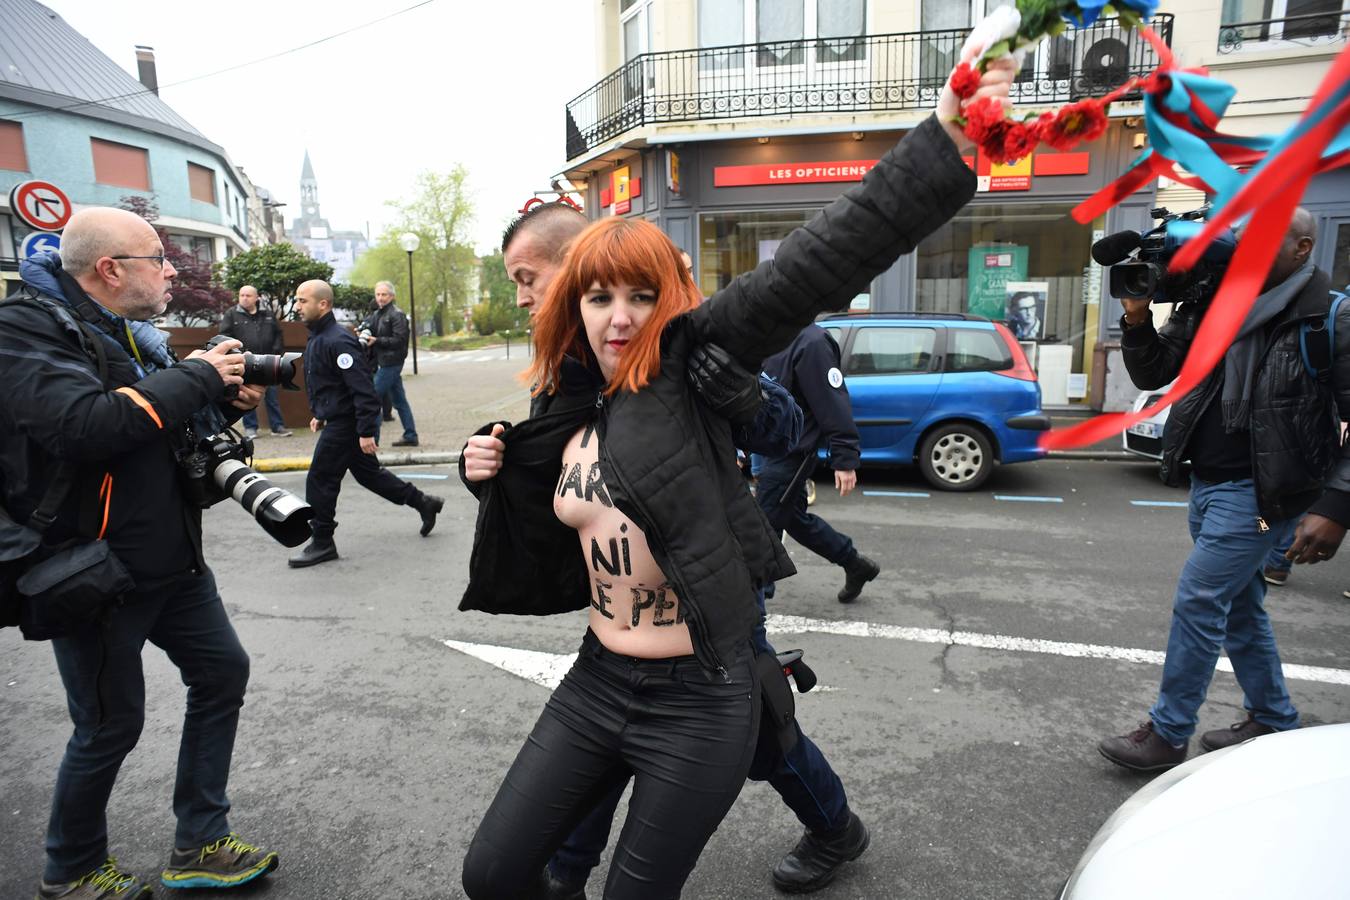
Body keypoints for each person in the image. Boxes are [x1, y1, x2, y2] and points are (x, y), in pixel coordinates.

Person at [458, 54, 1009, 898]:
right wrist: (489, 468)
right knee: (494, 875)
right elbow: (555, 518)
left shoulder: (686, 363)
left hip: (701, 676)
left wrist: (945, 139)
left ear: (668, 300)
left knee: (758, 758)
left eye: (639, 296)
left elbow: (825, 257)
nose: (618, 317)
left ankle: (834, 828)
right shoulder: (562, 402)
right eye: (597, 298)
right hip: (599, 676)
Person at [504, 199, 869, 898]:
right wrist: (487, 460)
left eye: (529, 277)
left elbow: (785, 426)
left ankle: (836, 827)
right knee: (604, 745)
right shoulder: (568, 369)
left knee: (766, 731)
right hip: (625, 626)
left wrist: (740, 397)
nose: (521, 295)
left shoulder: (682, 346)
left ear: (576, 260)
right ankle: (570, 871)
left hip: (710, 589)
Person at [0, 207, 279, 897]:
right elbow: (88, 427)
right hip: (94, 572)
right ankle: (71, 871)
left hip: (172, 560)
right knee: (108, 725)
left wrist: (224, 404)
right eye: (159, 257)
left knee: (221, 676)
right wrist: (198, 377)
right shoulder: (24, 328)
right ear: (110, 268)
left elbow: (153, 431)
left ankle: (201, 843)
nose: (172, 269)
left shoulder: (124, 332)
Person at [1099, 208, 1350, 772]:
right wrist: (1137, 315)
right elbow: (1155, 372)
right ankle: (1273, 716)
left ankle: (1167, 733)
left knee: (1200, 597)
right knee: (1240, 607)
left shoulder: (1330, 316)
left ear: (1303, 248)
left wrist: (1337, 505)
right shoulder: (1215, 301)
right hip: (1207, 483)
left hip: (1264, 501)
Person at [287, 280, 443, 568]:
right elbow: (331, 384)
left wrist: (366, 431)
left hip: (347, 425)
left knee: (320, 479)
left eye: (302, 301)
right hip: (340, 419)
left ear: (323, 304)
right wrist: (320, 412)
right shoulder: (320, 337)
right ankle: (424, 503)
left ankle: (322, 542)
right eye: (297, 301)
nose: (297, 307)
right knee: (370, 475)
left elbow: (363, 390)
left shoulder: (337, 340)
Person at [756, 323, 880, 605]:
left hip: (791, 451)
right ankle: (855, 565)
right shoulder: (769, 332)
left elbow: (832, 402)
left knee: (761, 522)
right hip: (767, 445)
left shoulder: (812, 342)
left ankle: (757, 596)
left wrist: (845, 459)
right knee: (793, 519)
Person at [218, 284, 292, 438]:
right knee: (245, 395)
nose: (244, 298)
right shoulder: (231, 314)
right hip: (245, 364)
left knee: (272, 397)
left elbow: (278, 334)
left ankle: (277, 427)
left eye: (248, 295)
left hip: (268, 363)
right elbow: (224, 337)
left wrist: (276, 352)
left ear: (256, 298)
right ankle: (251, 429)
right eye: (242, 295)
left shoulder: (268, 315)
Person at [359, 281, 418, 446]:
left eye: (384, 294)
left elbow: (400, 340)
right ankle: (411, 435)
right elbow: (370, 327)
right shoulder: (378, 314)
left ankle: (373, 439)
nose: (380, 298)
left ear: (392, 296)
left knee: (372, 399)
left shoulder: (396, 314)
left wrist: (376, 340)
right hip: (384, 362)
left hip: (392, 362)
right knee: (399, 401)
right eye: (378, 294)